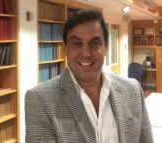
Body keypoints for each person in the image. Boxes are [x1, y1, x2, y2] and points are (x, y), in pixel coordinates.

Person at [25, 9, 153, 143]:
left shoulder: (133, 90)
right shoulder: (40, 100)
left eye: (94, 43)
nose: (86, 53)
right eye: (77, 44)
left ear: (106, 47)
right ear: (66, 48)